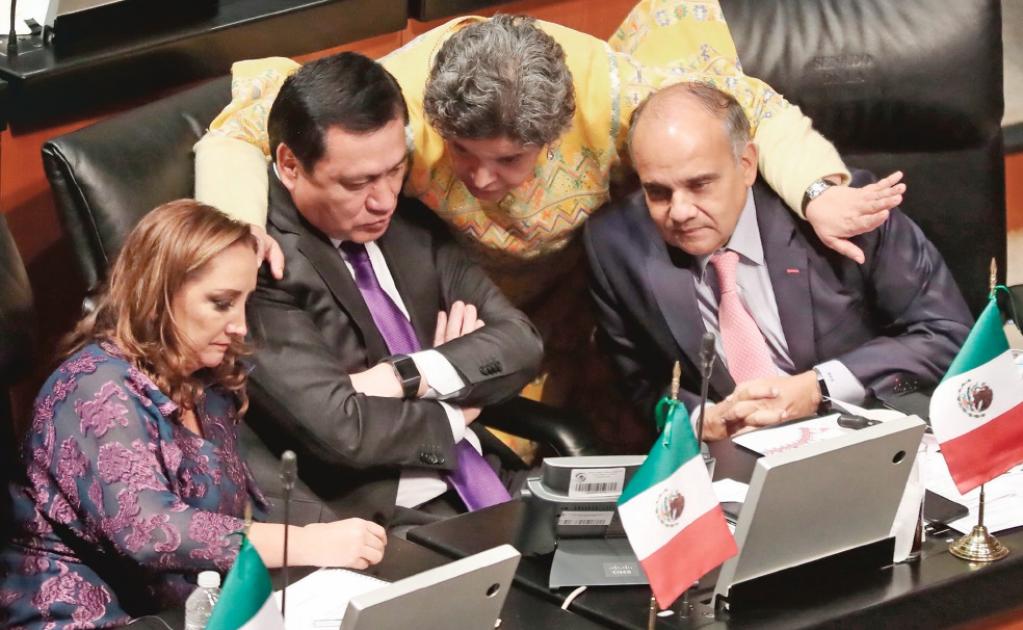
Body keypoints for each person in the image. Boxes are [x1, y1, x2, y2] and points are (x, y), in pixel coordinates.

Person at [194, 2, 904, 448]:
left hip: (577, 297)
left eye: (505, 160)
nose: (478, 178)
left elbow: (747, 113)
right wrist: (235, 230)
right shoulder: (404, 89)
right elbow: (238, 131)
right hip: (460, 290)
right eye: (460, 153)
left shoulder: (614, 90)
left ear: (557, 134)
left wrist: (818, 190)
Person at [0, 201, 387, 628]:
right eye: (221, 303)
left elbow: (234, 515)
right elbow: (151, 531)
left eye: (245, 303)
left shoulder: (208, 384)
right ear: (158, 293)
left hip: (186, 613)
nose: (240, 325)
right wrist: (307, 542)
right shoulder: (94, 387)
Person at [243, 52, 542, 527]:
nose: (383, 200)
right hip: (382, 514)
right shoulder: (257, 263)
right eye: (358, 182)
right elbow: (342, 430)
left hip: (486, 475)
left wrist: (411, 375)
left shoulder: (409, 221)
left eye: (394, 170)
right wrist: (452, 412)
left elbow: (520, 343)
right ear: (291, 165)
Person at [583, 82, 973, 440]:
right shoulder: (616, 246)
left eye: (699, 184)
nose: (680, 211)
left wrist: (819, 387)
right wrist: (699, 418)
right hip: (735, 465)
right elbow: (639, 385)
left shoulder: (845, 212)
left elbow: (946, 334)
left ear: (746, 164)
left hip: (864, 434)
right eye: (658, 193)